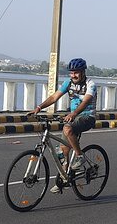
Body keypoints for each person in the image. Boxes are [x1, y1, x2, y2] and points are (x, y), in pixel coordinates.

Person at [31, 58, 97, 193]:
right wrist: (39, 107)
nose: (73, 76)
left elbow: (85, 102)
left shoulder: (91, 84)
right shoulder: (68, 83)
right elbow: (54, 97)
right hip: (73, 117)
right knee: (63, 150)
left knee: (67, 128)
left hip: (86, 117)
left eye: (76, 73)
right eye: (71, 73)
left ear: (83, 72)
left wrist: (73, 114)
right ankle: (65, 178)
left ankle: (80, 156)